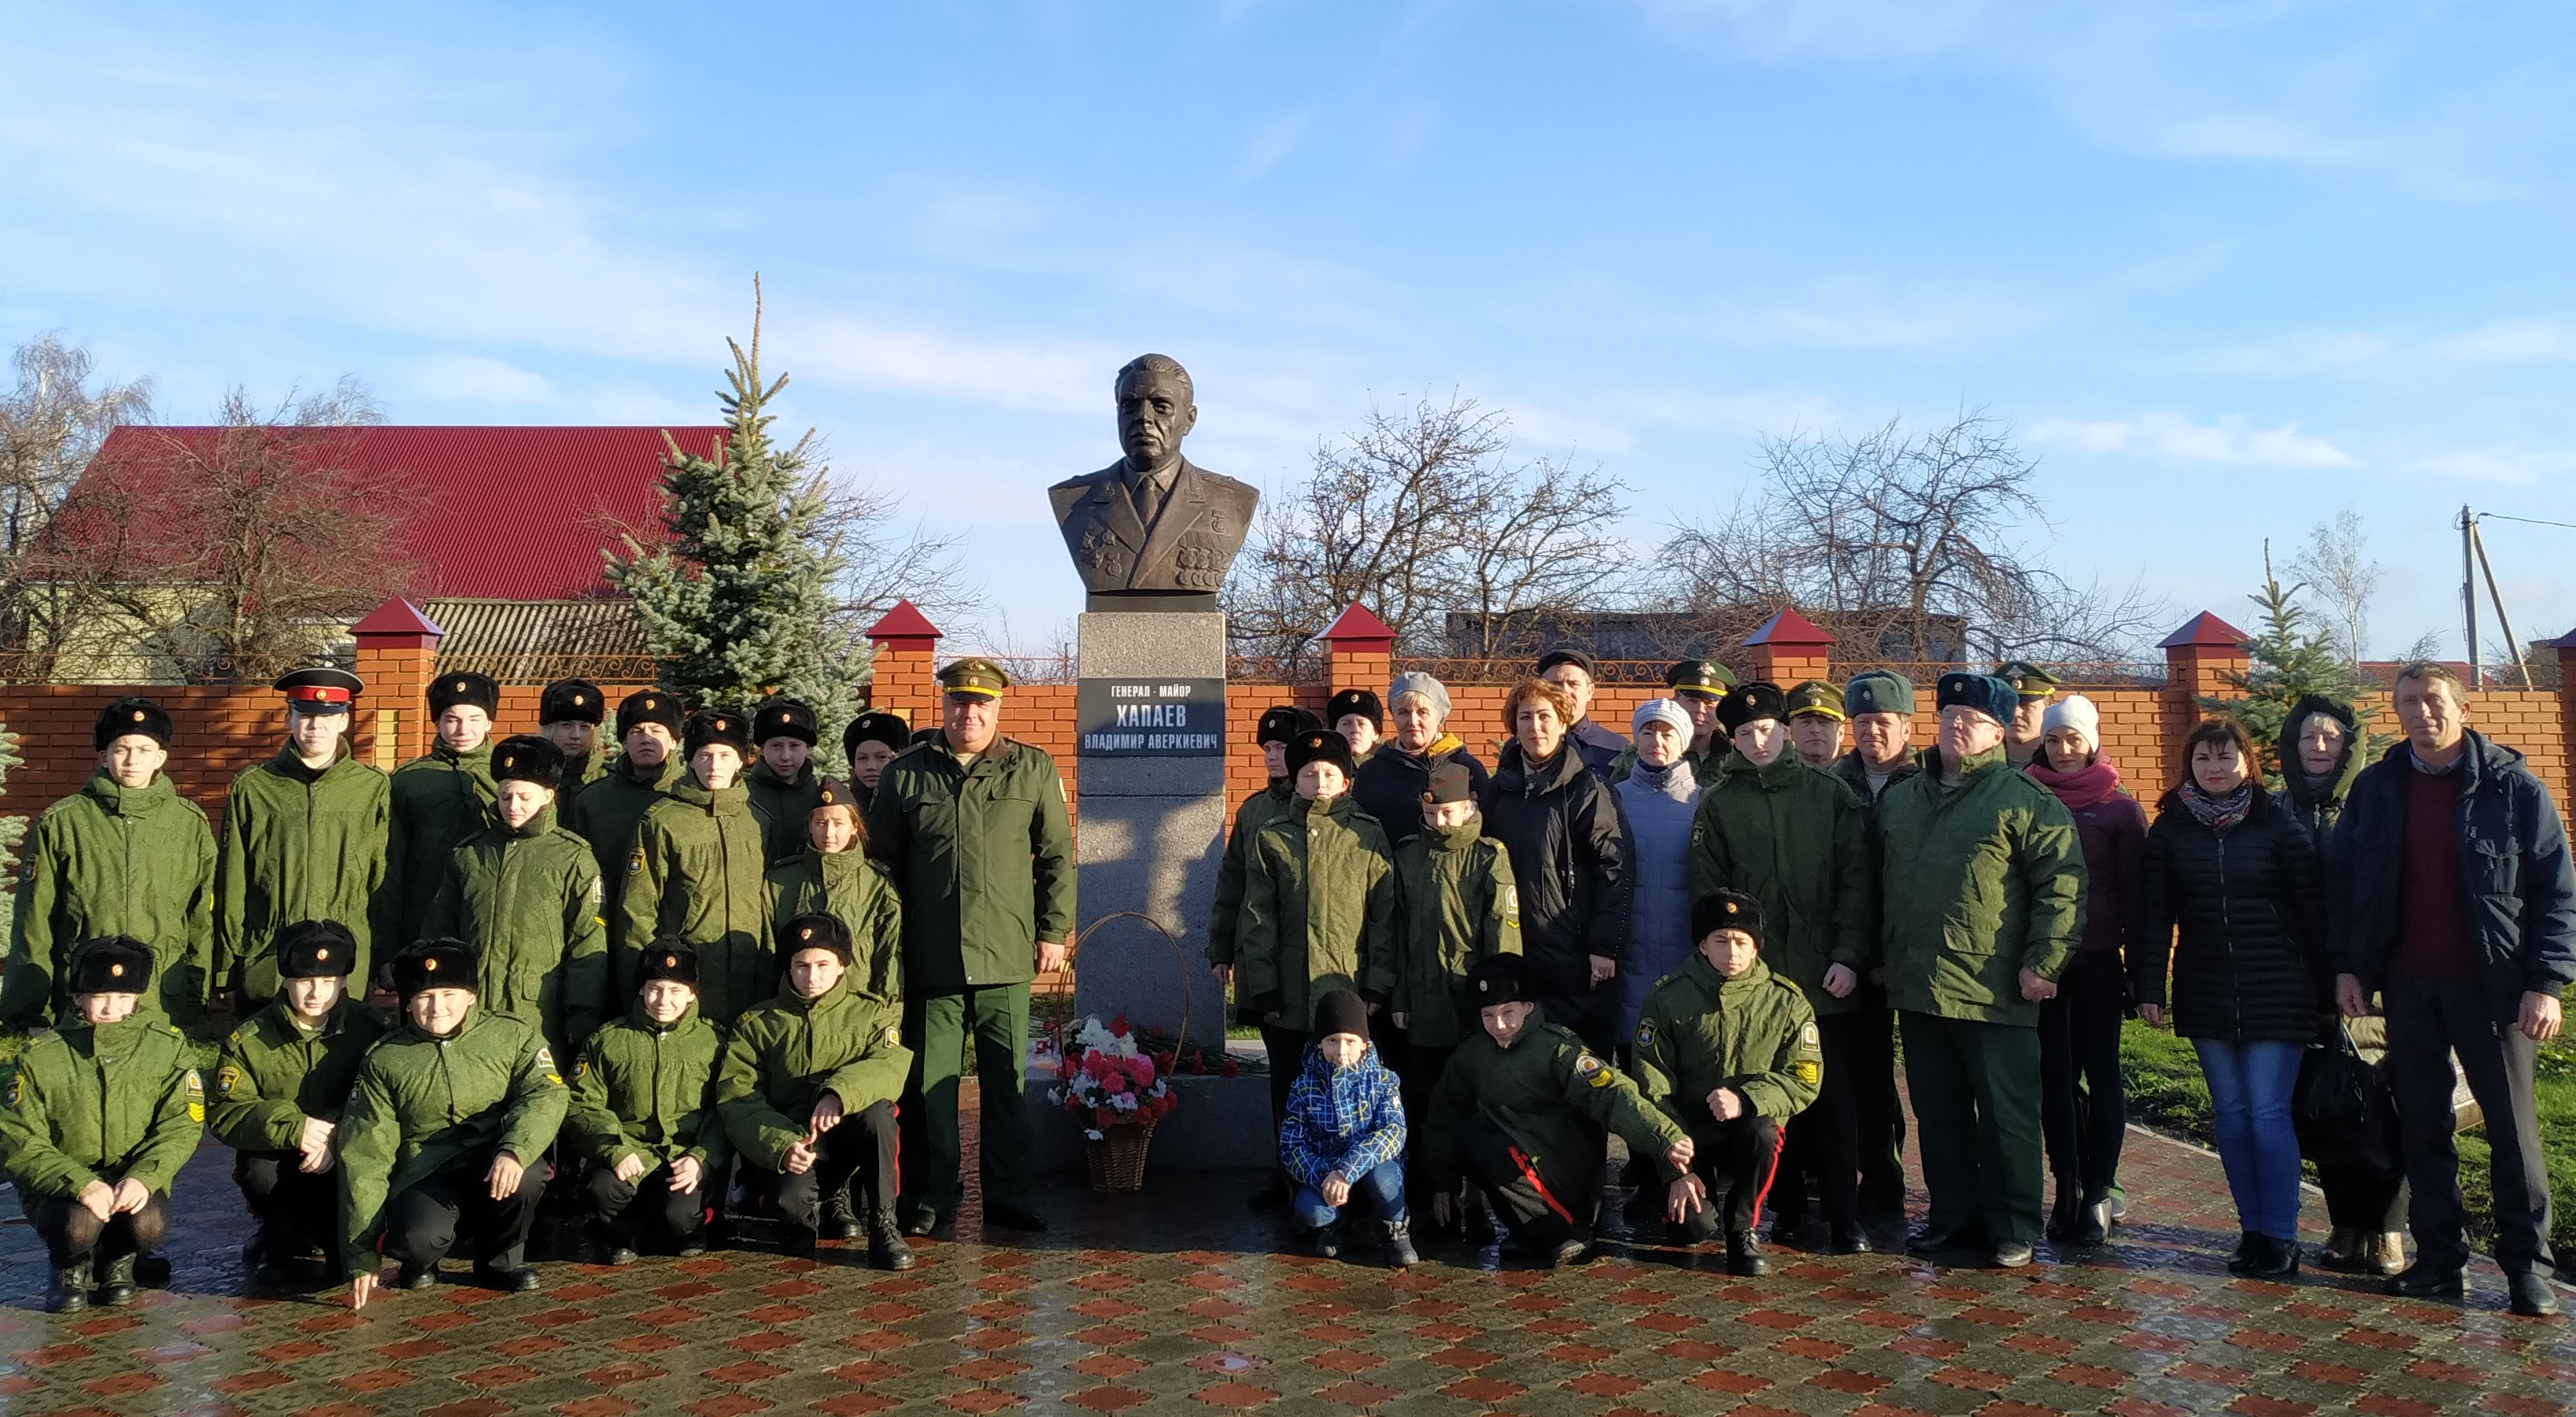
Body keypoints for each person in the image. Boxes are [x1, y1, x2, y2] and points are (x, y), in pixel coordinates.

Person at [2331, 662, 2575, 1317]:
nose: (2421, 712)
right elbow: (2347, 886)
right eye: (2408, 701)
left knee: (2512, 1132)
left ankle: (2527, 1267)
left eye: (2433, 700)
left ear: (2462, 708)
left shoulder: (2513, 788)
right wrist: (2349, 967)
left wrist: (2545, 983)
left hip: (2494, 990)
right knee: (2423, 1127)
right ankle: (2440, 1259)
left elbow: (2555, 891)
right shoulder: (2376, 788)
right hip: (2407, 987)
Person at [1879, 672, 2083, 1269]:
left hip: (1995, 990)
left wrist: (2043, 963)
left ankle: (2014, 1223)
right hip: (1919, 985)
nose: (1957, 726)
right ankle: (1952, 1217)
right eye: (1949, 716)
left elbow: (2062, 886)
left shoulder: (2024, 800)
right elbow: (1874, 880)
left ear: (1998, 732)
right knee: (1937, 1115)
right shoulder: (1903, 798)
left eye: (1972, 719)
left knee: (2006, 1117)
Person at [867, 657, 1074, 1238]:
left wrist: (1053, 931)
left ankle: (1007, 1194)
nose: (970, 713)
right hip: (930, 955)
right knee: (929, 1087)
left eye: (981, 703)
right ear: (945, 704)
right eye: (960, 701)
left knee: (1005, 1084)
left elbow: (1056, 856)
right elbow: (880, 866)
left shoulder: (1031, 768)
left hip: (1005, 953)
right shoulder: (906, 774)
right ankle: (930, 1194)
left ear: (998, 706)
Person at [2133, 714, 2327, 1279]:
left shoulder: (2276, 822)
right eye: (2203, 758)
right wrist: (2148, 985)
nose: (2214, 767)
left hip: (2278, 989)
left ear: (2246, 761)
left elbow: (2313, 911)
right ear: (2188, 765)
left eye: (2225, 756)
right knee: (2231, 1115)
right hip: (2206, 988)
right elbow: (2152, 914)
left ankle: (2282, 1235)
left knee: (2267, 1112)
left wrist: (2330, 987)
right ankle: (2252, 1231)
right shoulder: (2170, 829)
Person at [1686, 680, 1876, 1253]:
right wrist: (1728, 962)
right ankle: (1787, 1207)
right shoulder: (1719, 802)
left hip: (1825, 976)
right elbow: (1708, 889)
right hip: (1757, 983)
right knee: (1768, 1098)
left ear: (1786, 730)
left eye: (1767, 729)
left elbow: (1856, 881)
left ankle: (1844, 1216)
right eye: (1745, 733)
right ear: (1733, 739)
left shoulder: (1830, 794)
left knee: (1834, 1103)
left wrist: (1847, 956)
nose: (1758, 741)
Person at [1420, 953, 1691, 1268]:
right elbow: (1443, 1113)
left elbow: (1612, 1094)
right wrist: (1443, 1182)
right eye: (1488, 1016)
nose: (1499, 1025)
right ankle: (1533, 1234)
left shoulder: (1558, 1048)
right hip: (1519, 1159)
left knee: (1489, 1149)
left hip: (1565, 1166)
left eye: (1508, 1012)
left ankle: (1570, 1227)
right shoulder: (1471, 1054)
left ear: (1528, 1007)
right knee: (1473, 1141)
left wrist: (1663, 1138)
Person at [341, 939, 568, 1305]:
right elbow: (366, 1154)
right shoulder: (385, 1060)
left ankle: (499, 1261)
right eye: (424, 997)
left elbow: (546, 1093)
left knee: (528, 1174)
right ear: (408, 1003)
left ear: (471, 996)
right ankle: (421, 1261)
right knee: (416, 1239)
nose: (437, 1008)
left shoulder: (512, 1035)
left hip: (491, 1156)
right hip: (425, 1170)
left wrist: (515, 1149)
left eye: (449, 994)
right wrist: (361, 1255)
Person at [0, 936, 202, 1312]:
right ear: (78, 997)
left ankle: (118, 1261)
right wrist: (80, 1184)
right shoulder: (41, 1058)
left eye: (124, 997)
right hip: (63, 1188)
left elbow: (181, 1124)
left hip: (132, 1175)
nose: (112, 1008)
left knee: (148, 1224)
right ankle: (69, 1267)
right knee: (77, 1226)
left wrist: (144, 1177)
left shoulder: (166, 1049)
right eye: (100, 996)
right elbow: (18, 1138)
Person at [2275, 694, 2404, 1276]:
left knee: (2383, 1098)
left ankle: (2390, 1228)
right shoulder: (2277, 807)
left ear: (2349, 746)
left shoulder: (2375, 800)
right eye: (2308, 736)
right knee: (2327, 1099)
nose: (2319, 746)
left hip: (2372, 976)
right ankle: (2346, 1223)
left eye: (2331, 736)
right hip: (2302, 980)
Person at [1240, 728, 1398, 1190]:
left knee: (1354, 1092)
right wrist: (1264, 984)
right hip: (1289, 993)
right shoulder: (1273, 836)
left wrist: (1377, 982)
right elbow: (1258, 917)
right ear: (1296, 780)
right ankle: (1292, 1184)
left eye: (1330, 773)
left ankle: (1356, 1188)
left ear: (1346, 780)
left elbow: (1383, 915)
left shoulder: (1367, 834)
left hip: (1348, 988)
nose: (1320, 782)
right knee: (1290, 1089)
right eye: (1310, 774)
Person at [1633, 891, 1824, 1275]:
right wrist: (1676, 1169)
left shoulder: (1786, 1000)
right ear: (1703, 945)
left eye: (1741, 942)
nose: (1731, 952)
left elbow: (1804, 1076)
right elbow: (1651, 1084)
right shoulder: (1668, 997)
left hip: (1746, 1129)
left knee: (1764, 1133)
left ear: (1756, 947)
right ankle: (1672, 1195)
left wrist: (1747, 1099)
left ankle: (1742, 1229)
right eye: (1720, 940)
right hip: (1688, 1133)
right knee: (1691, 1230)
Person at [5, 696, 216, 1030]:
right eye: (122, 750)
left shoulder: (190, 824)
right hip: (83, 998)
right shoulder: (64, 822)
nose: (132, 760)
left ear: (160, 758)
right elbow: (35, 921)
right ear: (104, 756)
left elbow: (200, 918)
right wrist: (30, 1008)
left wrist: (195, 996)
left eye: (144, 750)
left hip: (161, 1003)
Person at [719, 913, 915, 1268]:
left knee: (879, 1113)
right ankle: (806, 1214)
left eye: (823, 965)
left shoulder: (870, 1013)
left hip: (845, 1140)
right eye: (802, 966)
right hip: (793, 1145)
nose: (812, 977)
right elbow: (737, 1097)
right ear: (789, 968)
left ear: (841, 966)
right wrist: (781, 1145)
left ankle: (884, 1225)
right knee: (790, 1211)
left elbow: (890, 1066)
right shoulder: (757, 1024)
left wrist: (837, 1094)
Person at [2024, 694, 2147, 1249]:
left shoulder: (2118, 808)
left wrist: (2141, 975)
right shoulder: (2025, 795)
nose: (2063, 749)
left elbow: (2136, 897)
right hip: (2044, 967)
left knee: (2102, 1073)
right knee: (2054, 1077)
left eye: (2073, 738)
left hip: (2098, 962)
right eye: (2053, 739)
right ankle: (2066, 1185)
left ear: (2092, 741)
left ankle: (2100, 1188)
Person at [209, 920, 390, 1290]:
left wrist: (334, 1133)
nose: (316, 993)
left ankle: (334, 1238)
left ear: (344, 981)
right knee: (259, 1174)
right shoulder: (250, 1039)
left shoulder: (371, 1029)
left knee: (340, 1247)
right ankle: (280, 1243)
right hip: (282, 1152)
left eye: (328, 981)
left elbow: (384, 1098)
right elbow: (225, 1110)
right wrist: (296, 1128)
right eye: (305, 981)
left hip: (347, 1151)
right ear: (286, 980)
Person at [421, 734, 610, 1061]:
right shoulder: (470, 854)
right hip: (475, 1007)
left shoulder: (572, 857)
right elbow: (441, 929)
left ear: (548, 796)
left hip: (539, 1009)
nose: (513, 806)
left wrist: (581, 1012)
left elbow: (587, 940)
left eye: (525, 797)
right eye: (506, 796)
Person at [216, 667, 394, 1012]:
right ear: (289, 719)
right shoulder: (254, 786)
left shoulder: (371, 788)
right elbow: (232, 879)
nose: (316, 727)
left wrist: (382, 956)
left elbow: (383, 879)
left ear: (343, 721)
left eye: (327, 718)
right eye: (306, 716)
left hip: (346, 953)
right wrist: (227, 967)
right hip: (269, 953)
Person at [1388, 762, 1520, 1221]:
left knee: (1474, 1101)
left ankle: (1475, 1198)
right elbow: (1396, 931)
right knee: (1426, 1100)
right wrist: (1400, 997)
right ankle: (1435, 1193)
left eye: (1448, 812)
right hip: (1422, 1003)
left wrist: (1500, 1003)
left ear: (1468, 808)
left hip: (1471, 1004)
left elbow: (1503, 935)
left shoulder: (1488, 856)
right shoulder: (1408, 854)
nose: (1439, 822)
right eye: (1431, 813)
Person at [1480, 677, 1628, 1054]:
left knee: (1578, 1059)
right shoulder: (1501, 788)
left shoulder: (1587, 788)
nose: (1536, 727)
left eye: (1545, 716)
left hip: (1573, 953)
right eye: (1525, 717)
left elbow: (1613, 870)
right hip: (1514, 947)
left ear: (1563, 723)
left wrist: (1603, 946)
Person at [1212, 706, 1325, 1184]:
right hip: (1267, 965)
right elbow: (1232, 883)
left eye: (1282, 748)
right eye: (1268, 749)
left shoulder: (1333, 805)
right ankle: (1287, 1177)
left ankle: (1330, 1182)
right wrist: (1221, 948)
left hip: (1326, 968)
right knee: (1283, 1076)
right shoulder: (1254, 810)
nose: (1273, 757)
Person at [567, 942, 730, 1264]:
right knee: (602, 1189)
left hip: (684, 1153)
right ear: (642, 989)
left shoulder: (714, 1042)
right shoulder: (608, 1040)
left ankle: (691, 1228)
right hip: (628, 1150)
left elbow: (727, 1108)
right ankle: (621, 1234)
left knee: (680, 1215)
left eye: (675, 991)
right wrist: (614, 1149)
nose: (663, 1000)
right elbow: (579, 1103)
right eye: (655, 989)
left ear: (692, 994)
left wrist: (701, 1157)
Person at [1827, 667, 1918, 1219]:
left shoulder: (1929, 781)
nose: (1871, 732)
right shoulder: (1835, 783)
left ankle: (1903, 1178)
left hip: (1915, 952)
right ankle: (1872, 1177)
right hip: (1854, 955)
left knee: (1923, 1080)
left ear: (1907, 725)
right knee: (1865, 1072)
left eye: (1882, 721)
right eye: (1861, 722)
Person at [620, 708, 772, 1024]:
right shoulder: (663, 821)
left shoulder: (758, 820)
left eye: (725, 755)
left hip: (751, 977)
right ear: (691, 760)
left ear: (741, 761)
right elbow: (638, 909)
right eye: (705, 755)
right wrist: (645, 977)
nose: (714, 765)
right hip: (685, 978)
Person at [1281, 989, 1416, 1267]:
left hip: (1372, 1168)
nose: (1341, 1051)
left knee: (1384, 1181)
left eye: (1350, 1041)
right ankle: (1337, 1225)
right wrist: (1325, 1176)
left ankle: (1394, 1228)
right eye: (1332, 1040)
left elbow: (1393, 1132)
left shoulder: (1384, 1082)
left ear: (1364, 1044)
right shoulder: (1303, 1088)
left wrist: (1346, 1170)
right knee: (1309, 1209)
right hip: (1326, 1174)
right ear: (1319, 1043)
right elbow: (1292, 1147)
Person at [1613, 699, 1702, 1047]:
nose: (1657, 741)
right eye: (1648, 732)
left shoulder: (1702, 803)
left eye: (1667, 733)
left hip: (1685, 946)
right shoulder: (1613, 799)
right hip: (1627, 951)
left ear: (1683, 741)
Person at [767, 779, 904, 1004]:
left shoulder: (876, 883)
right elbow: (767, 951)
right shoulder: (781, 880)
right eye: (821, 823)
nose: (828, 833)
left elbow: (889, 954)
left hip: (857, 1007)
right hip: (792, 1007)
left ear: (854, 827)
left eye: (838, 823)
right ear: (810, 826)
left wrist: (886, 1011)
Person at [388, 671, 501, 939]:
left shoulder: (508, 775)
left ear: (489, 722)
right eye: (452, 719)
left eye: (474, 719)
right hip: (423, 915)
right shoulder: (408, 780)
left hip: (491, 915)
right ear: (437, 722)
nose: (463, 730)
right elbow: (391, 861)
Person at [571, 688, 688, 947]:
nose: (646, 738)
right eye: (636, 731)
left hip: (677, 938)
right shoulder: (592, 800)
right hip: (605, 932)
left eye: (657, 730)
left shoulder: (689, 797)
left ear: (673, 741)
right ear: (624, 741)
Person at [1353, 673, 1488, 839]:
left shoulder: (1466, 767)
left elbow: (1486, 829)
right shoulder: (1371, 772)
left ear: (1439, 718)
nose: (1413, 721)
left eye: (1423, 712)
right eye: (1403, 712)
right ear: (1393, 716)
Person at [747, 697, 825, 867]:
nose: (785, 756)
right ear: (762, 749)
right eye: (776, 746)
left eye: (794, 746)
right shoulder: (743, 795)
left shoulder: (821, 798)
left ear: (808, 749)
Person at [1536, 648, 1628, 777]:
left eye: (1573, 684)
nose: (1564, 691)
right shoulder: (1524, 746)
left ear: (1589, 691)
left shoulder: (1617, 749)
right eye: (1555, 684)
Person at [538, 678, 611, 820]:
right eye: (566, 726)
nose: (576, 736)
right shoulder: (531, 776)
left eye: (585, 727)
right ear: (550, 729)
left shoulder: (607, 779)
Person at [1994, 661, 2063, 768]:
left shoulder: (2063, 761)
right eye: (2008, 705)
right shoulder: (1979, 762)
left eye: (2026, 706)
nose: (2016, 713)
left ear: (2048, 710)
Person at [842, 710, 911, 814]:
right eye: (862, 758)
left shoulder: (913, 805)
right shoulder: (842, 809)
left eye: (881, 757)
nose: (871, 767)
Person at [1783, 681, 1846, 770]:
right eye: (1806, 722)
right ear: (1791, 730)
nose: (1815, 730)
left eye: (1824, 722)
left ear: (1840, 733)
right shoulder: (1775, 775)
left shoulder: (1861, 774)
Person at [1328, 687, 1384, 766]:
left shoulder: (1391, 766)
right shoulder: (1321, 766)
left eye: (1362, 724)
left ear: (1375, 733)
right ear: (1334, 731)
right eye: (1346, 724)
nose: (1355, 730)